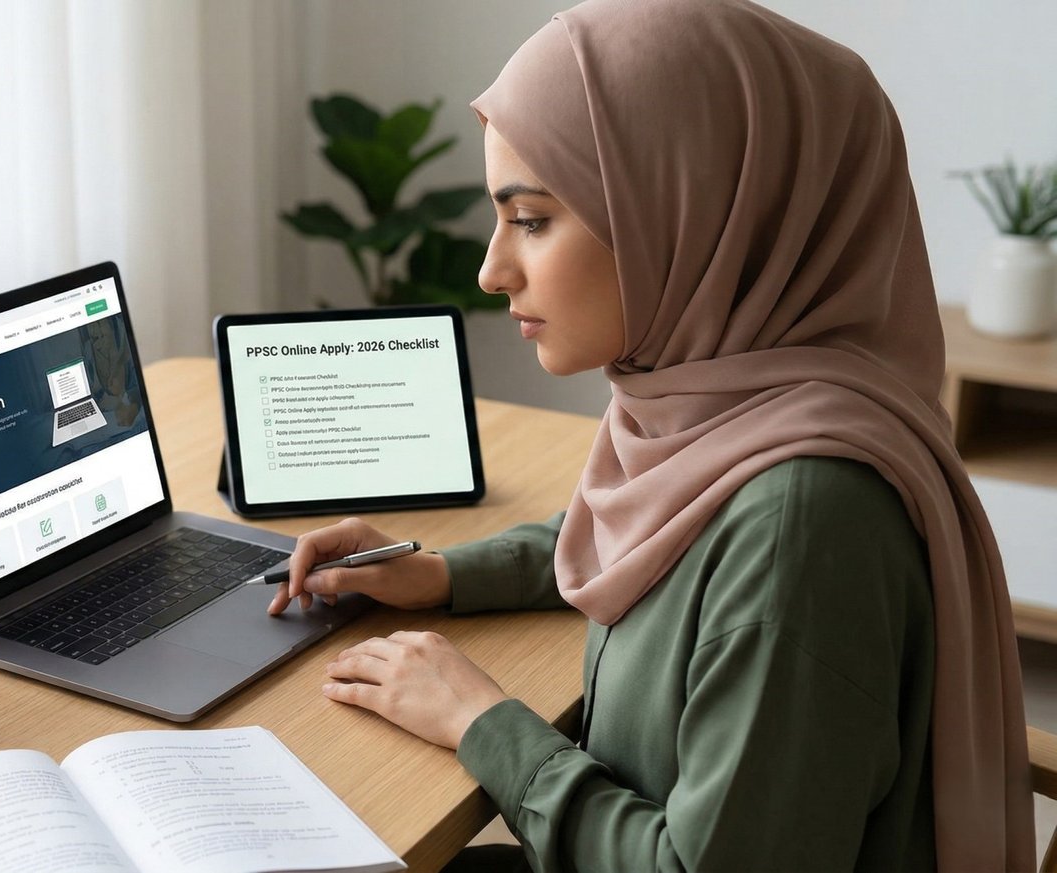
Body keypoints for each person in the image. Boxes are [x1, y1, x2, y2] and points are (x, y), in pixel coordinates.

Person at [267, 0, 1034, 869]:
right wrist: (442, 573)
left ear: (690, 210)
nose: (491, 269)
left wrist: (481, 720)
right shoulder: (741, 409)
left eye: (531, 219)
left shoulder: (803, 522)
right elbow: (658, 537)